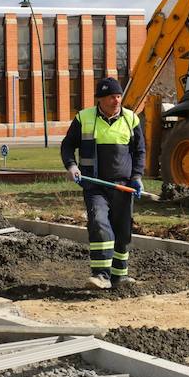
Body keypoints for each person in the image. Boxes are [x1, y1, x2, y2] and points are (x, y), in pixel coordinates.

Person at [60, 77, 146, 290]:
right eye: (111, 97)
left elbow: (139, 151)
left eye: (118, 96)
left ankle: (119, 276)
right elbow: (67, 146)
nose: (116, 101)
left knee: (123, 230)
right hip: (95, 186)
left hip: (123, 186)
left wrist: (137, 177)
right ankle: (100, 275)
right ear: (100, 99)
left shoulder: (131, 119)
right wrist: (72, 166)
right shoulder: (84, 118)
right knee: (99, 223)